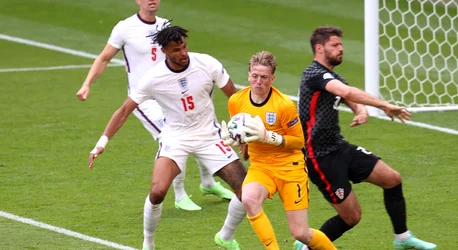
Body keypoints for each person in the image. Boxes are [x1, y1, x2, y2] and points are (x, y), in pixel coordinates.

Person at [88, 25, 247, 250]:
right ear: (164, 51)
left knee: (246, 190)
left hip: (209, 136)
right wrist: (101, 143)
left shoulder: (206, 63)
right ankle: (148, 243)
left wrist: (243, 132)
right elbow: (124, 110)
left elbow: (236, 98)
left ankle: (225, 236)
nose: (183, 53)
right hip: (176, 138)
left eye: (184, 46)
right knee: (157, 191)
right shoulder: (154, 78)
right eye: (176, 50)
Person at [77, 0, 234, 211]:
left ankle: (207, 183)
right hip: (145, 100)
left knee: (201, 130)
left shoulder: (165, 26)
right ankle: (179, 196)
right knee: (173, 139)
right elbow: (104, 57)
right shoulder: (124, 28)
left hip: (173, 94)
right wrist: (87, 84)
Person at [294, 26, 437, 250]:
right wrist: (384, 104)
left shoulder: (332, 76)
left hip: (339, 147)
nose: (341, 49)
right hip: (319, 156)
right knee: (352, 217)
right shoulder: (313, 74)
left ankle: (403, 238)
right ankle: (306, 245)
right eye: (335, 45)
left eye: (341, 44)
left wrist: (360, 111)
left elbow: (349, 96)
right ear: (320, 48)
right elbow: (347, 92)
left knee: (392, 178)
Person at [221, 51, 336, 250]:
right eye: (255, 76)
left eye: (264, 77)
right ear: (248, 75)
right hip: (261, 168)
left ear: (272, 79)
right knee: (248, 198)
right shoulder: (236, 101)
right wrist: (239, 141)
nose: (258, 81)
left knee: (300, 233)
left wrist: (268, 136)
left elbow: (299, 141)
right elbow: (243, 133)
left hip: (290, 169)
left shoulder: (284, 106)